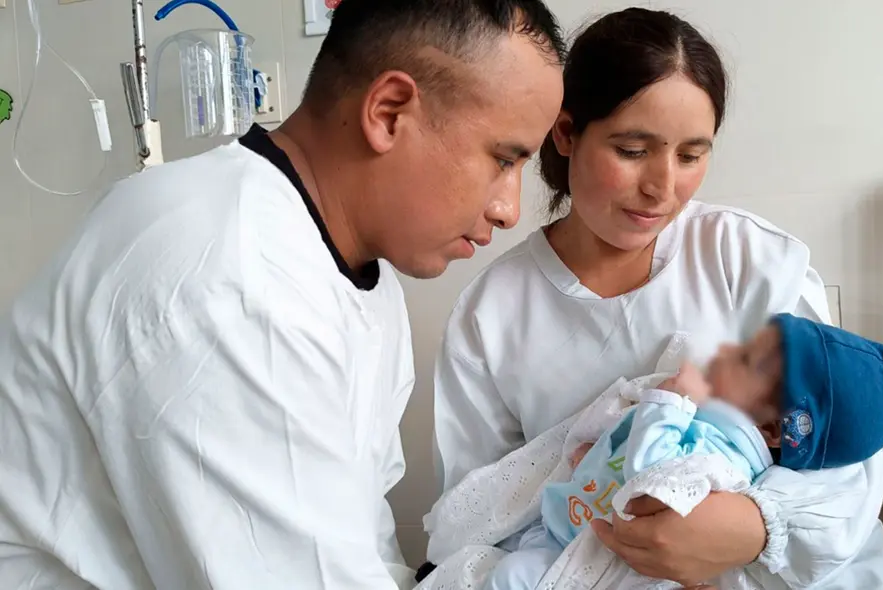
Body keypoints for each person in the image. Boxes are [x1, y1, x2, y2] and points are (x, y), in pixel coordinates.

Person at [0, 1, 564, 589]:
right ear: (389, 112)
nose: (508, 209)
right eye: (503, 159)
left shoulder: (357, 279)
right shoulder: (229, 275)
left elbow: (351, 536)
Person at [431, 7, 883, 589]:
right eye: (633, 150)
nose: (663, 187)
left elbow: (861, 434)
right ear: (565, 132)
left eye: (690, 155)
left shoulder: (748, 258)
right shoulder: (494, 313)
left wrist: (757, 524)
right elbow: (479, 515)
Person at [485, 313, 883, 589]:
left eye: (747, 360)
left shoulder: (724, 456)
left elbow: (649, 477)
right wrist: (594, 458)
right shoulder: (711, 426)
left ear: (772, 428)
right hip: (566, 525)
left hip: (595, 557)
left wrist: (671, 401)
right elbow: (627, 448)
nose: (728, 350)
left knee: (510, 578)